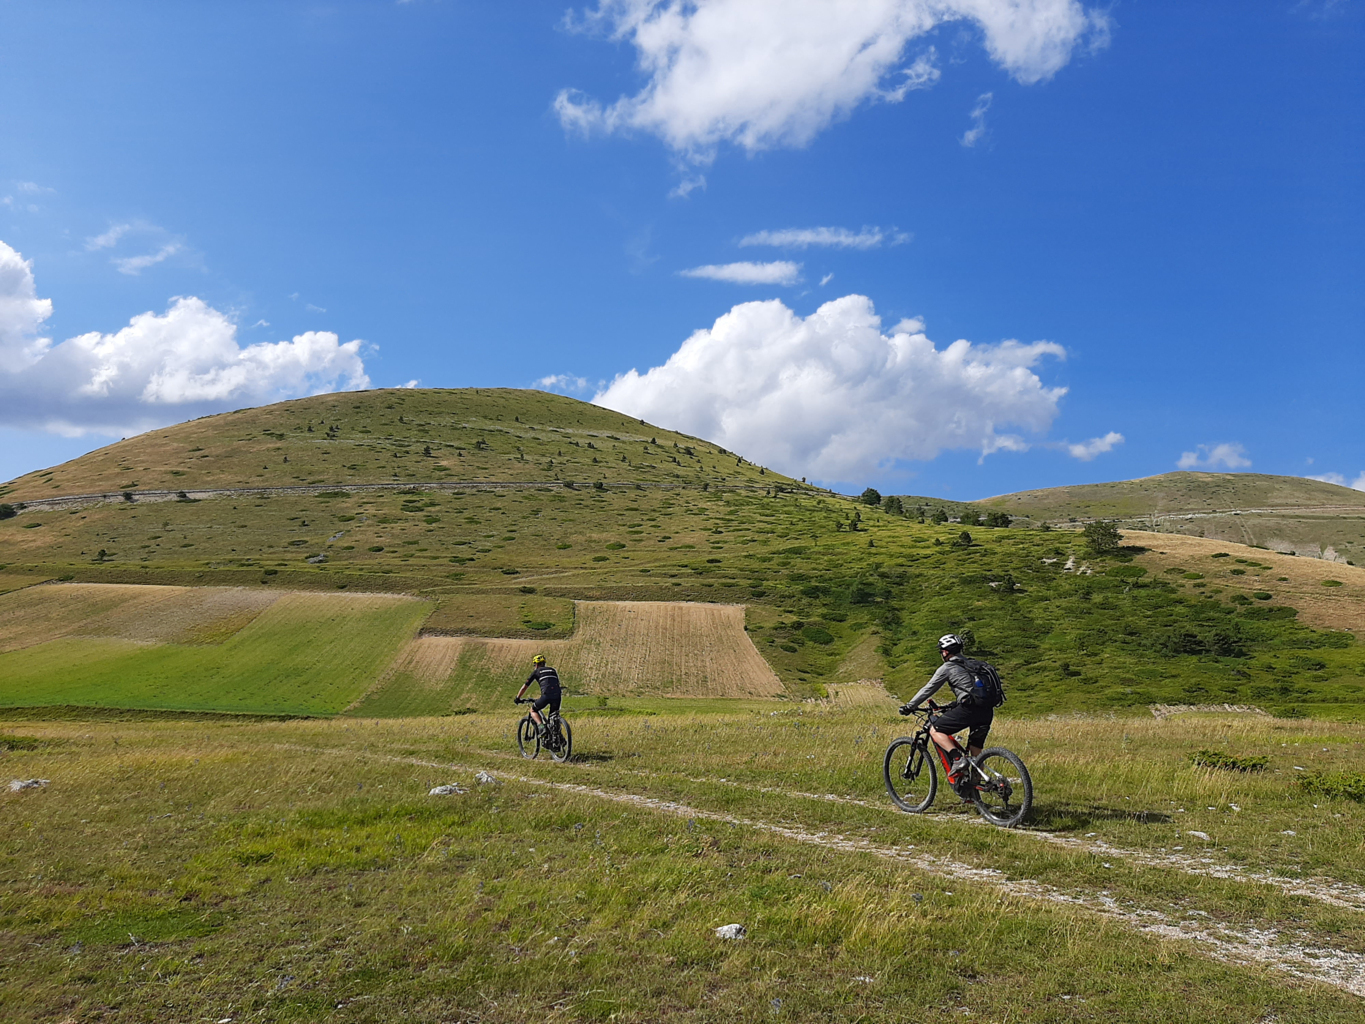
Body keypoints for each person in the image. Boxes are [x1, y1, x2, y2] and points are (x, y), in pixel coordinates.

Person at [899, 634, 994, 792]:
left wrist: (909, 706)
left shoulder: (947, 667)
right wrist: (953, 705)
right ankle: (975, 790)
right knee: (976, 750)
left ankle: (957, 759)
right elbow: (971, 689)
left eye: (941, 651)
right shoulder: (973, 664)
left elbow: (928, 689)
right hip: (987, 710)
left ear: (945, 652)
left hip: (969, 710)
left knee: (935, 730)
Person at [515, 654, 562, 737]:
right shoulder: (552, 670)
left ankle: (541, 727)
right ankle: (559, 739)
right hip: (557, 696)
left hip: (546, 695)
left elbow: (524, 687)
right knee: (553, 718)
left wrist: (518, 698)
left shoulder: (536, 672)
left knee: (533, 710)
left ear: (536, 664)